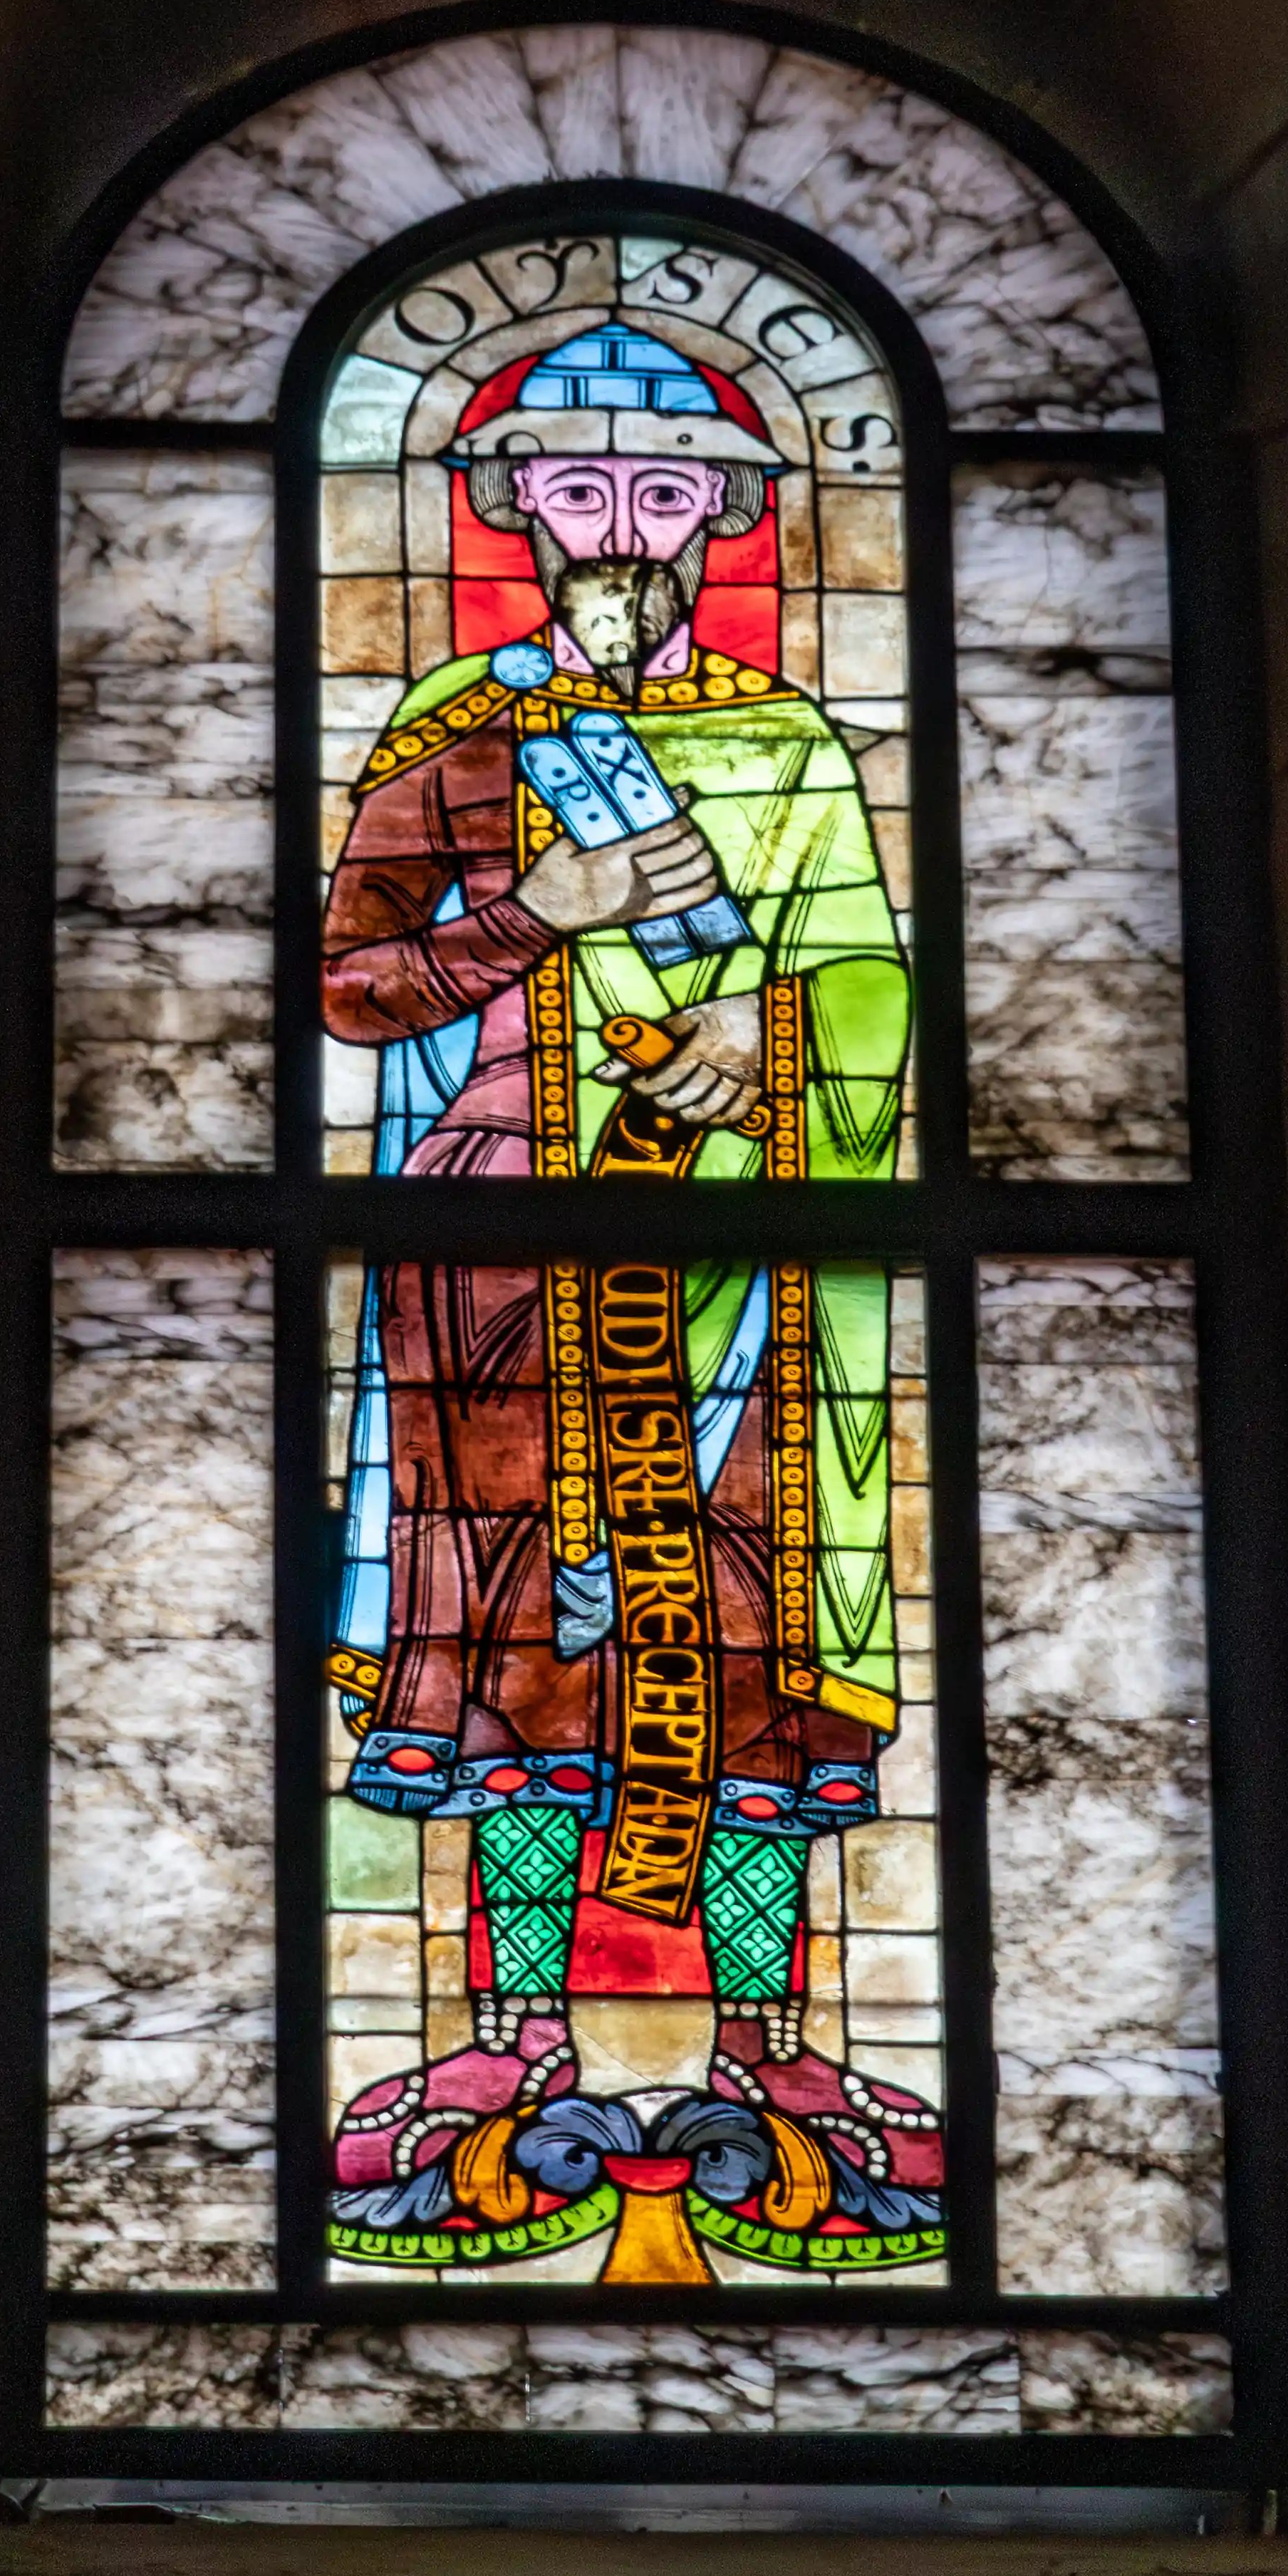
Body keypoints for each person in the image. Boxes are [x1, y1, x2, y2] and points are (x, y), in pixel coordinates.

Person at [321, 324, 939, 2277]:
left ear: (721, 521)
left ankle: (760, 2044)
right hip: (494, 1256)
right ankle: (507, 2042)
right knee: (514, 1645)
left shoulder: (787, 748)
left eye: (667, 492)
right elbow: (348, 989)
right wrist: (537, 920)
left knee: (744, 1639)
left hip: (744, 1256)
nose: (622, 527)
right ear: (517, 513)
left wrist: (751, 1048)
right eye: (579, 490)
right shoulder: (451, 735)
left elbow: (868, 995)